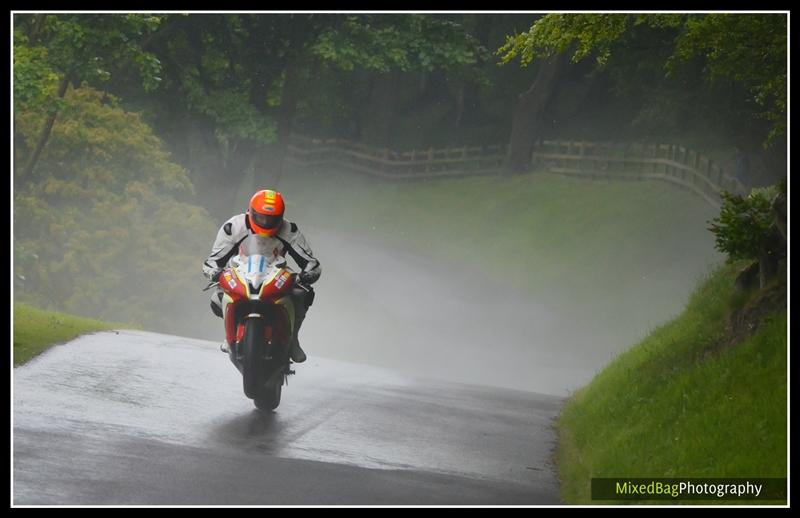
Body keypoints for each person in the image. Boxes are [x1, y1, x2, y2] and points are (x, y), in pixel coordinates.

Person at [202, 189, 321, 363]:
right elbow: (213, 260)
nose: (266, 222)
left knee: (303, 293)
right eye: (262, 217)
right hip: (241, 271)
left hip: (274, 272)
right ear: (250, 211)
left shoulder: (289, 229)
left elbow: (311, 262)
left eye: (272, 219)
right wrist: (214, 272)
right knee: (216, 298)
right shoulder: (233, 227)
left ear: (281, 217)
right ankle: (229, 337)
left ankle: (293, 339)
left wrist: (307, 276)